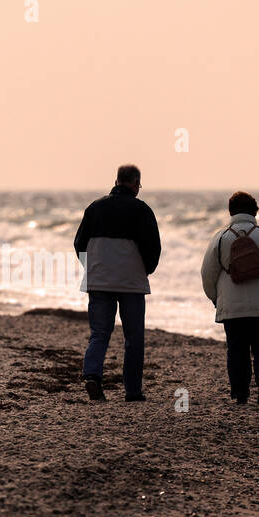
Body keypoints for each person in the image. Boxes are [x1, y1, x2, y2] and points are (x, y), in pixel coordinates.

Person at [73, 164, 161, 401]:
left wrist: (92, 267)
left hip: (99, 280)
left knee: (99, 333)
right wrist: (146, 270)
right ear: (135, 183)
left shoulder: (94, 208)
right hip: (131, 282)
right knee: (133, 337)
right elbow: (153, 247)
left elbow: (79, 243)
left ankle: (92, 375)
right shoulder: (142, 210)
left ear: (117, 180)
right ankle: (132, 391)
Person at [200, 192, 259, 406]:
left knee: (236, 349)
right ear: (255, 211)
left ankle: (241, 394)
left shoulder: (221, 238)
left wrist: (216, 299)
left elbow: (207, 274)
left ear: (230, 212)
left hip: (232, 307)